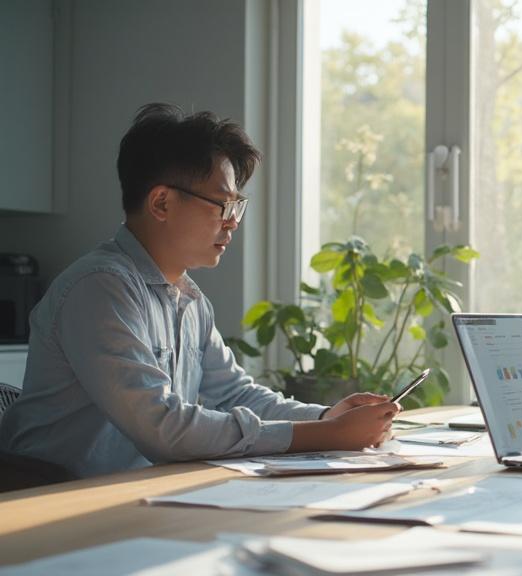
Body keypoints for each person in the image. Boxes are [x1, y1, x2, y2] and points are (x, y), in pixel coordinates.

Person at [0, 104, 400, 479]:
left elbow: (235, 394)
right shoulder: (99, 289)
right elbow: (164, 426)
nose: (232, 224)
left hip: (138, 494)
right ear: (161, 203)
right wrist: (328, 436)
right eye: (222, 205)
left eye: (236, 208)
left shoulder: (190, 301)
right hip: (53, 497)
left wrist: (327, 417)